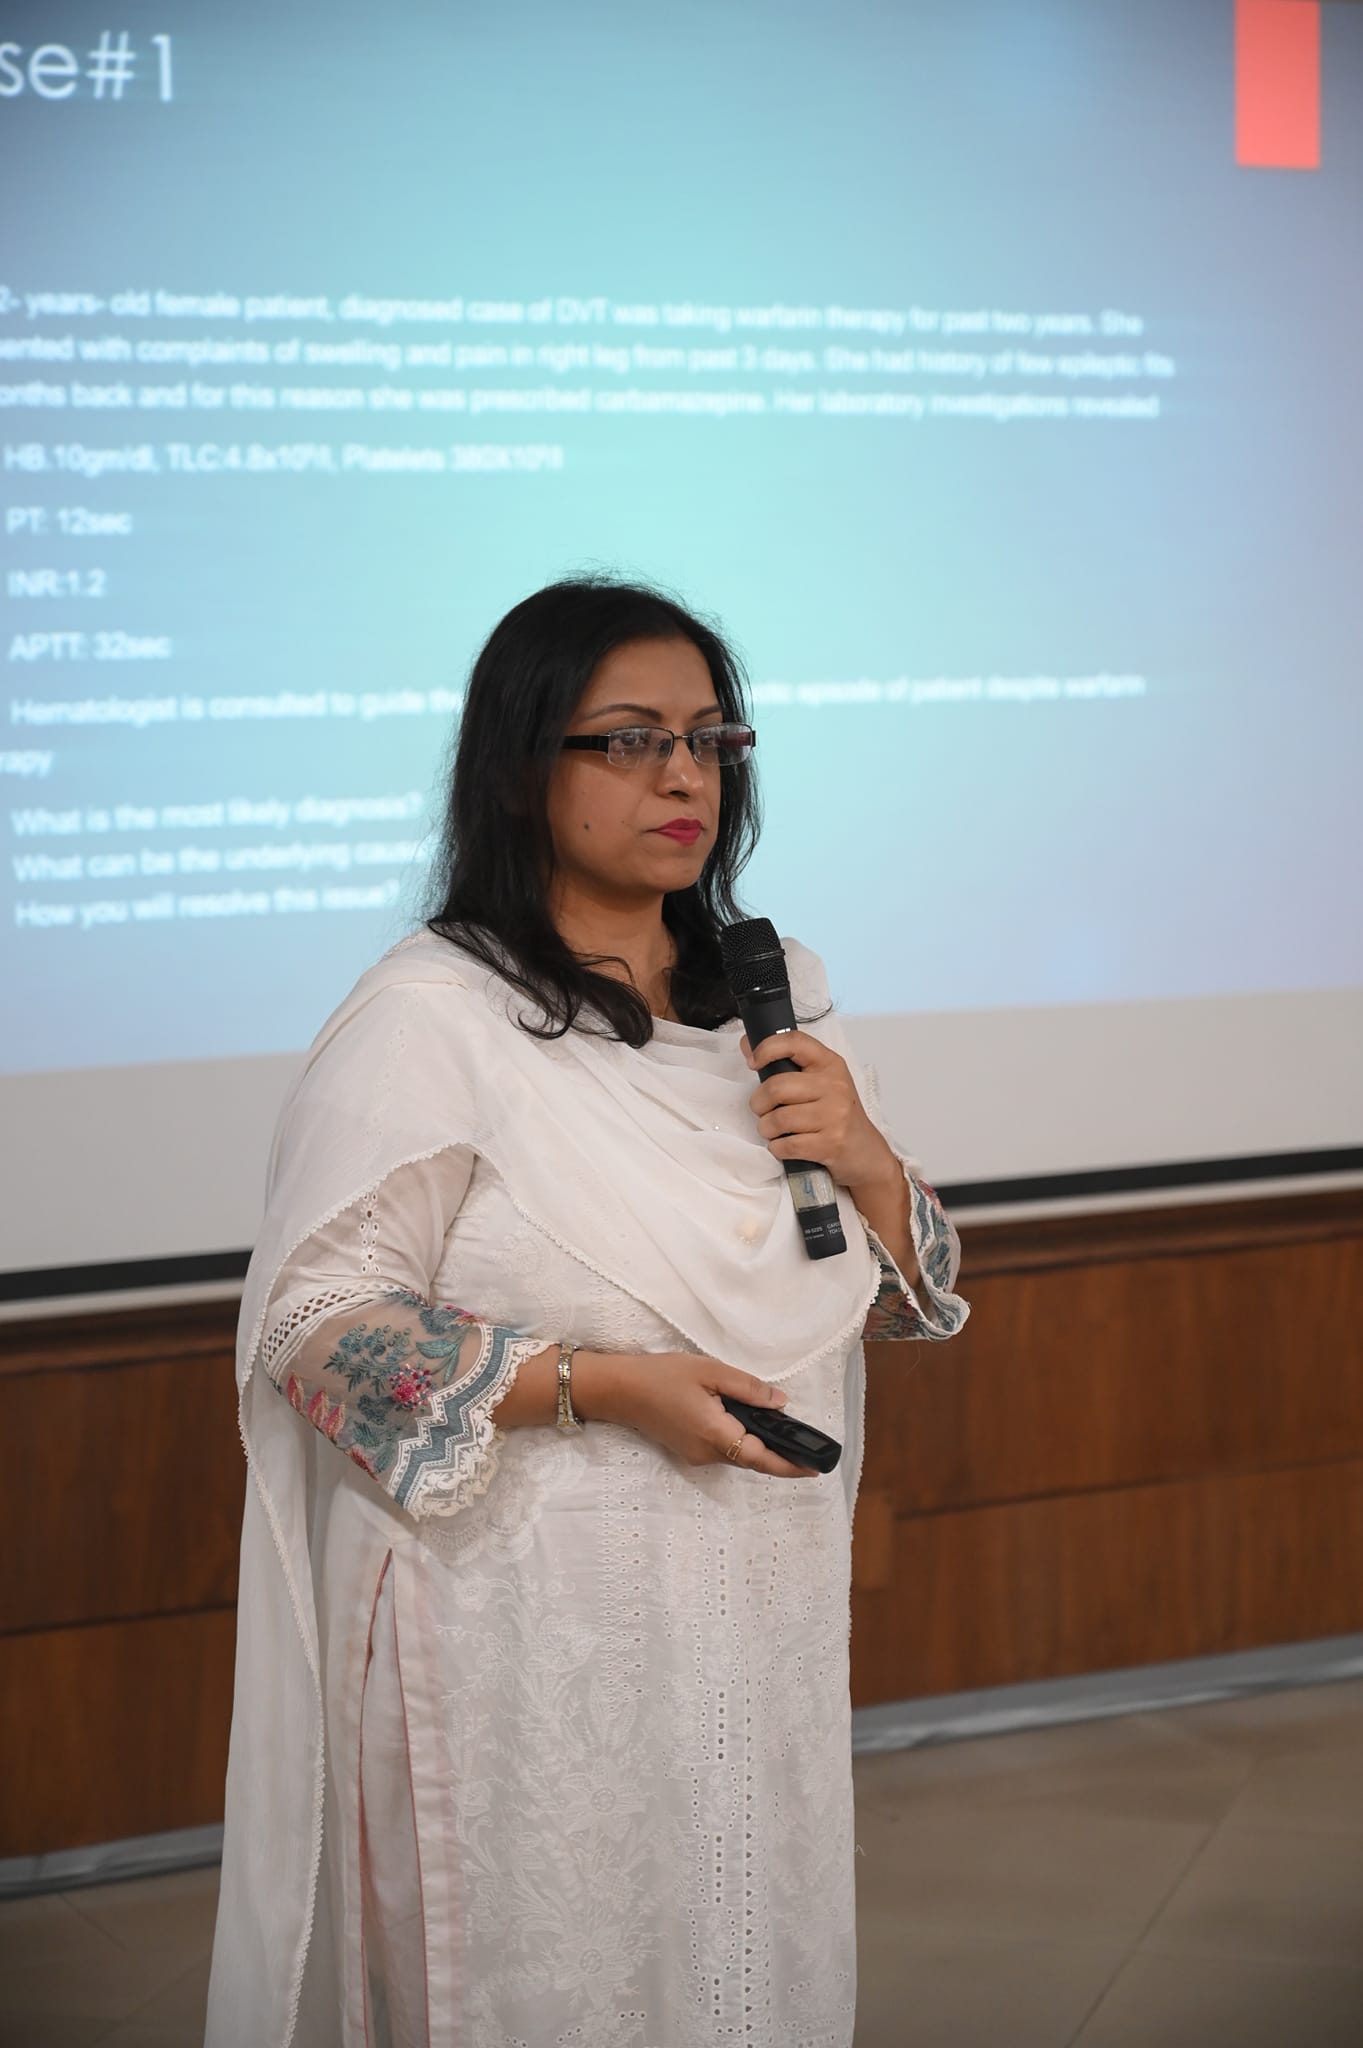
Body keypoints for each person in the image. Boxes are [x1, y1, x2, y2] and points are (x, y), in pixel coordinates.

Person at [205, 576, 968, 2048]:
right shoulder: (433, 1018)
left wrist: (867, 1156)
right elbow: (314, 1326)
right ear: (520, 767)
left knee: (737, 1962)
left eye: (710, 738)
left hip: (755, 1606)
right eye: (629, 739)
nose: (684, 776)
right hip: (516, 1637)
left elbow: (907, 1297)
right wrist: (604, 1385)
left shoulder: (773, 1000)